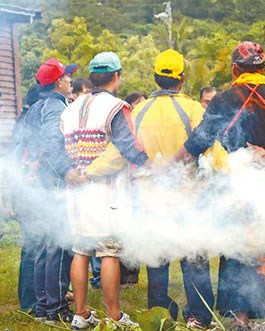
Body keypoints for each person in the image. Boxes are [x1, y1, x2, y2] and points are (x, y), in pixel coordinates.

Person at [174, 41, 265, 328]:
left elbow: (198, 143)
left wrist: (168, 165)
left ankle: (239, 321)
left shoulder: (224, 99)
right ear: (262, 68)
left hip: (236, 189)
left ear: (235, 69)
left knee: (238, 250)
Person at [61, 52, 148, 329]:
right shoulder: (116, 107)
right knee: (109, 251)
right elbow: (126, 147)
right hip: (107, 193)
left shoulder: (69, 109)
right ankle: (113, 316)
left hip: (76, 191)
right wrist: (150, 164)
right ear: (116, 77)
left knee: (81, 250)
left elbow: (57, 147)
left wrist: (73, 172)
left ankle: (82, 314)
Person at [130, 49, 213, 328]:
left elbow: (130, 150)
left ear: (155, 78)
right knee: (193, 257)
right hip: (188, 194)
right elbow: (207, 143)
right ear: (182, 79)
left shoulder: (138, 110)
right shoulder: (192, 109)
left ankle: (159, 314)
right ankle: (199, 316)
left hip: (150, 195)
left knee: (157, 258)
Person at [22, 58, 81, 324]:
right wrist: (67, 171)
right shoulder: (56, 107)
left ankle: (42, 307)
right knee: (57, 245)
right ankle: (55, 309)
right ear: (58, 82)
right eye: (67, 77)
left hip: (40, 182)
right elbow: (51, 142)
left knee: (45, 246)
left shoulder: (36, 106)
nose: (70, 81)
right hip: (54, 182)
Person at [7, 83, 40, 313]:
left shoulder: (24, 119)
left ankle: (31, 297)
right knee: (31, 245)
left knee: (33, 245)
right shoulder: (31, 122)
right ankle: (28, 301)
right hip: (28, 192)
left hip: (23, 192)